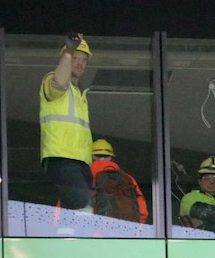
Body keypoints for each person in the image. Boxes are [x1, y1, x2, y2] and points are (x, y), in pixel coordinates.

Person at [39, 32, 93, 212]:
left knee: (71, 213)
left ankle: (67, 235)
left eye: (84, 60)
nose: (80, 63)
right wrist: (69, 50)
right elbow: (59, 83)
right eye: (75, 58)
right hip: (61, 158)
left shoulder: (80, 93)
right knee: (84, 207)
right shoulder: (53, 80)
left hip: (81, 162)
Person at [90, 139, 149, 224]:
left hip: (96, 233)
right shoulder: (128, 178)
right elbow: (142, 212)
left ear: (91, 157)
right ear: (112, 158)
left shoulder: (87, 175)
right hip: (124, 231)